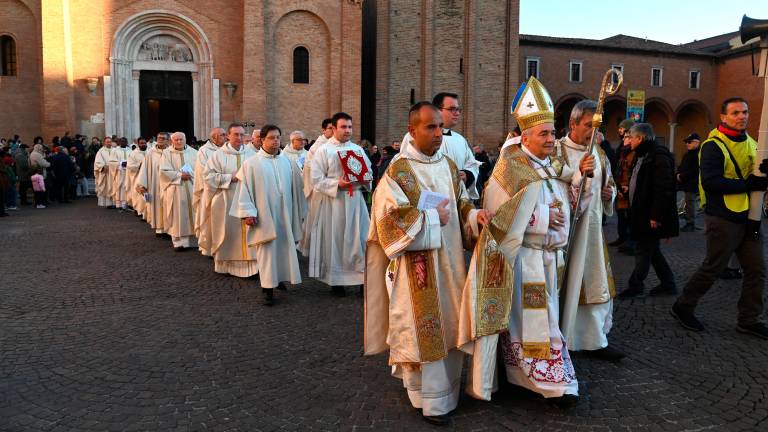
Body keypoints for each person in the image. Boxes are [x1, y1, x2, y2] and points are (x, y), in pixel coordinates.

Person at [458, 76, 595, 405]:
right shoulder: (511, 169)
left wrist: (582, 179)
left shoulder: (551, 164)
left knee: (543, 319)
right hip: (523, 262)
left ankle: (522, 375)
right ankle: (545, 382)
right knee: (532, 324)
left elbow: (570, 200)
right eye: (544, 134)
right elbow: (497, 216)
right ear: (525, 136)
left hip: (549, 260)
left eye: (552, 132)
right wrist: (546, 218)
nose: (552, 139)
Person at [364, 102, 487, 425]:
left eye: (439, 128)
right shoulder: (398, 171)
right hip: (417, 270)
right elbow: (388, 223)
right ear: (412, 130)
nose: (437, 134)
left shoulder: (448, 166)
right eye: (430, 128)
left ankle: (446, 391)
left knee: (449, 325)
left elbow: (461, 203)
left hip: (450, 265)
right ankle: (428, 399)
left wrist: (475, 216)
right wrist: (432, 219)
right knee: (423, 330)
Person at [672, 97, 768, 339]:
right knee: (713, 267)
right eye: (735, 112)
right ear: (724, 116)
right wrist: (748, 184)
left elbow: (757, 174)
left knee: (757, 269)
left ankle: (749, 319)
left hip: (751, 216)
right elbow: (712, 182)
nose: (742, 116)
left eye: (745, 112)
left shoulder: (753, 143)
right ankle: (683, 305)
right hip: (723, 216)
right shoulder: (713, 145)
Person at [554, 100, 622, 362]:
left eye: (597, 126)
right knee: (567, 283)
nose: (592, 132)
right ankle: (562, 337)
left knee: (595, 281)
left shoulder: (599, 152)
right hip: (565, 231)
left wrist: (609, 194)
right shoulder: (557, 151)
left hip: (592, 229)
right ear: (572, 124)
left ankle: (595, 339)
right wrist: (577, 174)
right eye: (587, 126)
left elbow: (610, 183)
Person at [231, 124, 307, 305]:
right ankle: (267, 289)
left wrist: (300, 211)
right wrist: (248, 212)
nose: (275, 141)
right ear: (262, 140)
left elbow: (298, 188)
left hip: (285, 214)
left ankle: (278, 279)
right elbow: (244, 191)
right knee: (267, 253)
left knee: (283, 249)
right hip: (264, 216)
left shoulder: (287, 162)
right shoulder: (251, 164)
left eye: (278, 138)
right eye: (271, 138)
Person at [307, 112, 372, 296]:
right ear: (333, 128)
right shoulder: (324, 150)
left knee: (361, 240)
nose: (347, 130)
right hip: (334, 203)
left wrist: (365, 179)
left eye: (350, 127)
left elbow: (368, 174)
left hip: (356, 203)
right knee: (335, 242)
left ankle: (362, 281)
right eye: (343, 127)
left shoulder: (358, 150)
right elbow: (316, 179)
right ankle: (337, 282)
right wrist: (338, 184)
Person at [617, 123, 678, 298]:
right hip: (641, 211)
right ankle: (668, 284)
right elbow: (643, 181)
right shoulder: (642, 155)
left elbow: (663, 189)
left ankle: (635, 285)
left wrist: (655, 215)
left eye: (631, 137)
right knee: (653, 251)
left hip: (649, 214)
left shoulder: (659, 157)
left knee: (643, 249)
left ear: (640, 138)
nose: (627, 141)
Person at [205, 124, 258, 277]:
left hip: (249, 200)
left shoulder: (252, 154)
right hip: (225, 200)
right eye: (236, 134)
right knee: (227, 233)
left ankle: (251, 267)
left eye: (242, 135)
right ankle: (226, 266)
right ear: (228, 136)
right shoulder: (218, 155)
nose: (239, 138)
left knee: (250, 233)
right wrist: (230, 177)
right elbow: (208, 177)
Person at [297, 118, 335, 260]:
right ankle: (316, 249)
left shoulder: (336, 144)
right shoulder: (318, 146)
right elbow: (311, 168)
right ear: (323, 130)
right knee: (317, 222)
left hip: (333, 189)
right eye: (330, 128)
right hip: (320, 190)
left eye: (334, 127)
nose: (333, 130)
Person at [160, 132, 199, 251]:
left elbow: (200, 169)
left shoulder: (194, 153)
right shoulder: (166, 153)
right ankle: (178, 243)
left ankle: (194, 242)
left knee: (194, 213)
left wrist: (190, 174)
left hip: (192, 187)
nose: (178, 141)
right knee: (178, 215)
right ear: (172, 141)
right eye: (176, 140)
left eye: (181, 139)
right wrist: (179, 175)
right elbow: (163, 171)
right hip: (176, 189)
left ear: (185, 139)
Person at [194, 127, 226, 257]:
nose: (226, 137)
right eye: (223, 135)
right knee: (210, 220)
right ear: (214, 137)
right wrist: (225, 177)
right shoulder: (204, 151)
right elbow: (204, 170)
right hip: (210, 190)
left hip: (225, 189)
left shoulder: (226, 150)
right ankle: (209, 247)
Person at [610, 119, 636, 253]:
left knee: (629, 216)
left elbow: (630, 170)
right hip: (621, 186)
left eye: (626, 135)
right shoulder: (623, 149)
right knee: (622, 214)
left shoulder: (632, 152)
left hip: (627, 188)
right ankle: (623, 238)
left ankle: (630, 241)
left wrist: (625, 187)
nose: (624, 137)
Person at [136, 132, 170, 235]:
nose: (160, 140)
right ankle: (159, 229)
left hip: (168, 184)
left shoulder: (172, 152)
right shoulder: (151, 153)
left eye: (163, 138)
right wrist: (142, 184)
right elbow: (144, 168)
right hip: (154, 184)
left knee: (169, 206)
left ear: (168, 140)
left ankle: (169, 229)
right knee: (157, 205)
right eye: (159, 138)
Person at [677, 133, 701, 232]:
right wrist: (678, 173)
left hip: (693, 184)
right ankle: (690, 221)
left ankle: (690, 223)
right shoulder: (688, 154)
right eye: (687, 142)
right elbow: (682, 166)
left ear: (697, 142)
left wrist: (681, 176)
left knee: (691, 203)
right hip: (686, 183)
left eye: (689, 142)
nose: (687, 144)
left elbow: (695, 170)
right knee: (689, 203)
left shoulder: (699, 155)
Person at [108, 137, 132, 210]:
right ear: (119, 142)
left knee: (127, 187)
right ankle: (119, 204)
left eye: (125, 141)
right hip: (119, 172)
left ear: (127, 142)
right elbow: (111, 162)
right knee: (120, 187)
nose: (123, 142)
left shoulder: (130, 150)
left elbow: (133, 160)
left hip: (128, 172)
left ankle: (128, 203)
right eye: (122, 141)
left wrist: (129, 163)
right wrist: (121, 163)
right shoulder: (115, 151)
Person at [125, 138, 147, 217]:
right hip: (137, 176)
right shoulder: (133, 154)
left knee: (146, 193)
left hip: (148, 177)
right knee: (138, 194)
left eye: (144, 143)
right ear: (138, 144)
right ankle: (139, 210)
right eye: (141, 143)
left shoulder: (150, 152)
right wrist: (139, 165)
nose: (143, 144)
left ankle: (147, 211)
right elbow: (129, 166)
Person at [93, 137, 115, 207]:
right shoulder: (101, 151)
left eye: (110, 142)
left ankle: (115, 203)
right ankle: (107, 203)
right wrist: (103, 166)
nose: (109, 143)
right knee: (106, 188)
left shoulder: (115, 150)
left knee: (114, 187)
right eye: (107, 142)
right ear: (104, 143)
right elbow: (98, 162)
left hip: (114, 173)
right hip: (105, 173)